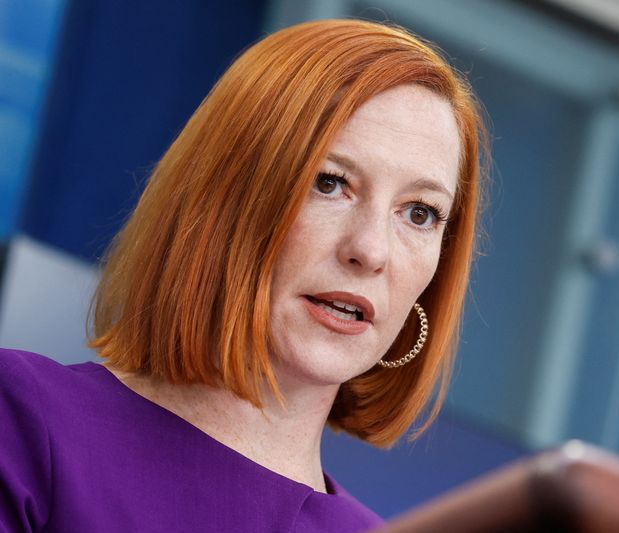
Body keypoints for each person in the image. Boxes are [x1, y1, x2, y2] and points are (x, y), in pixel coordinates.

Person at [0, 18, 487, 532]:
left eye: (419, 213)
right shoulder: (24, 420)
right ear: (225, 199)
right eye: (330, 182)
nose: (370, 250)